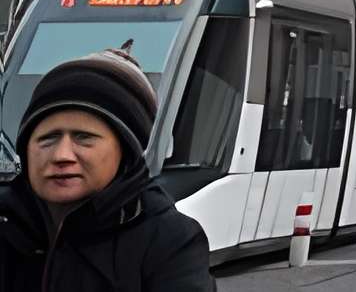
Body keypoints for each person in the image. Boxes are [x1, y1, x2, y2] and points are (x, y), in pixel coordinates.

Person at [0, 48, 216, 292]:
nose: (61, 155)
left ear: (126, 152)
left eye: (84, 138)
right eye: (48, 139)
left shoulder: (169, 240)